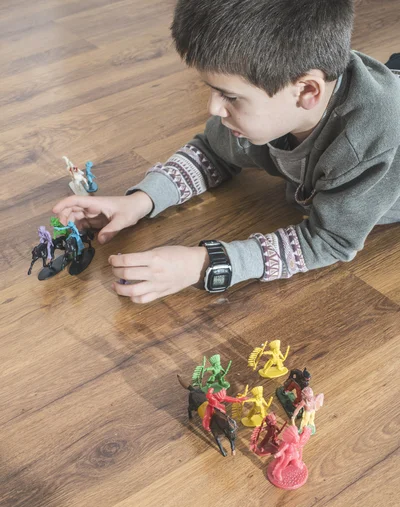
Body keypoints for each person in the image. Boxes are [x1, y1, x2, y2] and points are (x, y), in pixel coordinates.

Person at [52, 0, 400, 304]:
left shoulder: (366, 141)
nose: (214, 108)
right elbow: (211, 151)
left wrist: (206, 262)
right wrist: (140, 201)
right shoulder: (273, 102)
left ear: (306, 89)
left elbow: (329, 241)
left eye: (230, 96)